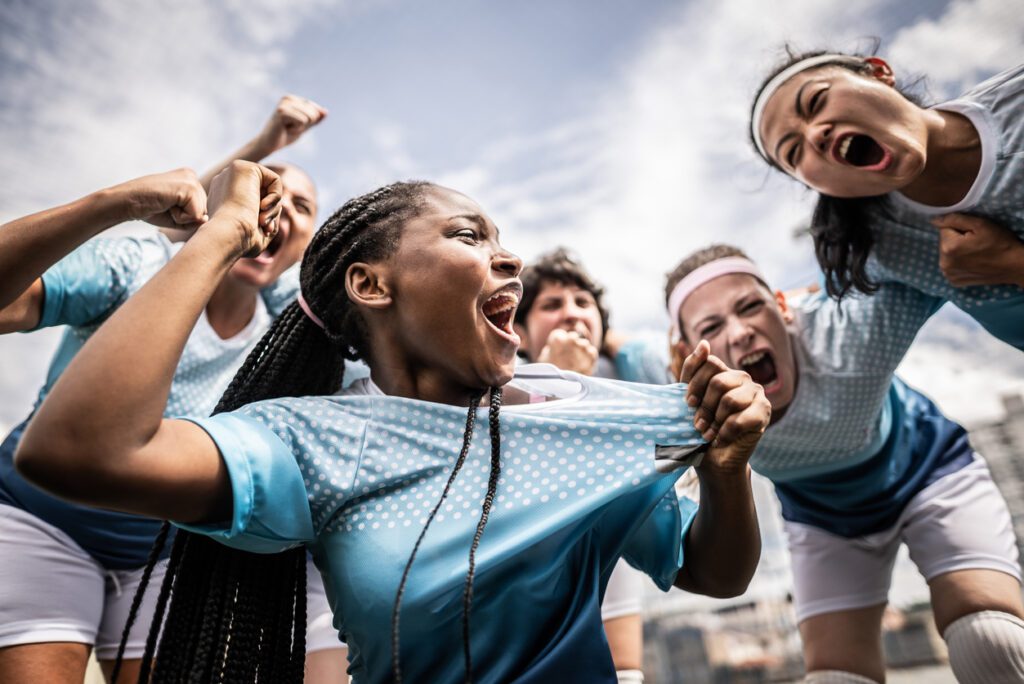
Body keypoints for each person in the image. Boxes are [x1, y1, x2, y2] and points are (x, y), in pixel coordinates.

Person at [16, 162, 770, 683]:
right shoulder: (308, 440)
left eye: (503, 241)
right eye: (470, 236)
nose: (508, 260)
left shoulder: (576, 413)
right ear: (370, 284)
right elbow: (79, 450)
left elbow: (714, 571)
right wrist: (219, 236)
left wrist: (726, 470)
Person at [0, 96, 345, 683]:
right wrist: (116, 202)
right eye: (267, 193)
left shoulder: (282, 324)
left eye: (301, 206)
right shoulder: (136, 265)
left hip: (160, 550)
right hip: (39, 517)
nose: (278, 208)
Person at [651, 244, 1024, 684]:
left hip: (931, 474)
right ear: (685, 353)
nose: (739, 333)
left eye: (751, 307)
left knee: (990, 640)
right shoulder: (692, 407)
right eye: (712, 326)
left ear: (784, 307)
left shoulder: (849, 332)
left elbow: (930, 255)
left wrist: (1011, 260)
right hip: (822, 519)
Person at [749, 51, 1024, 350]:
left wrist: (1013, 264)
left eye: (816, 101)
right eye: (793, 153)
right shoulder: (881, 246)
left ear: (878, 73)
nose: (815, 135)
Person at [513, 247, 673, 683]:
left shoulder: (625, 373)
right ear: (520, 335)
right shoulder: (503, 386)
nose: (571, 313)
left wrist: (611, 340)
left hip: (611, 557)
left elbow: (678, 367)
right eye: (551, 305)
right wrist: (558, 379)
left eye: (583, 303)